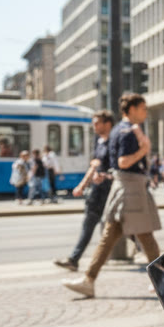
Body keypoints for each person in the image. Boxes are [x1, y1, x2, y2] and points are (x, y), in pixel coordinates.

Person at [62, 93, 163, 299]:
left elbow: (112, 163)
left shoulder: (118, 130)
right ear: (132, 109)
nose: (145, 112)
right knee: (141, 236)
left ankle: (89, 280)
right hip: (131, 188)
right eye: (143, 108)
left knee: (115, 236)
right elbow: (124, 162)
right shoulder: (127, 132)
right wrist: (143, 150)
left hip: (122, 187)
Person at [53, 110, 115, 272]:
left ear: (107, 124)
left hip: (111, 192)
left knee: (126, 228)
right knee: (89, 224)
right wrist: (83, 185)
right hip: (97, 192)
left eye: (97, 123)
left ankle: (149, 253)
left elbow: (120, 169)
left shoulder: (115, 141)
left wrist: (105, 176)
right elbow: (94, 166)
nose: (94, 126)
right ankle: (74, 259)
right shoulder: (99, 141)